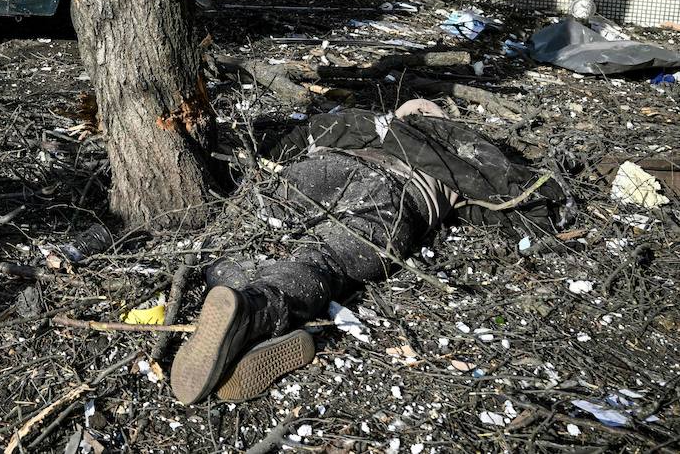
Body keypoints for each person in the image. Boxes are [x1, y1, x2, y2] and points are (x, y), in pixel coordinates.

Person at [170, 101, 568, 404]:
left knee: (255, 230)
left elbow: (289, 145)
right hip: (393, 196)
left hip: (325, 165)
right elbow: (516, 200)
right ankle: (258, 310)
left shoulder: (363, 123)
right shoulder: (460, 153)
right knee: (323, 258)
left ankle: (234, 299)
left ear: (397, 113)